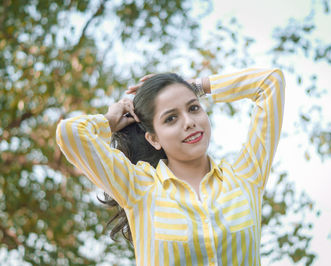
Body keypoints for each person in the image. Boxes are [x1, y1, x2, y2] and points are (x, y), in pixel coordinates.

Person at [56, 67, 285, 265]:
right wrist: (109, 119)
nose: (189, 122)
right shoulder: (139, 189)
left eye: (193, 108)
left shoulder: (246, 177)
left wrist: (196, 86)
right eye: (170, 118)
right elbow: (70, 133)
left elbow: (270, 82)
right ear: (154, 138)